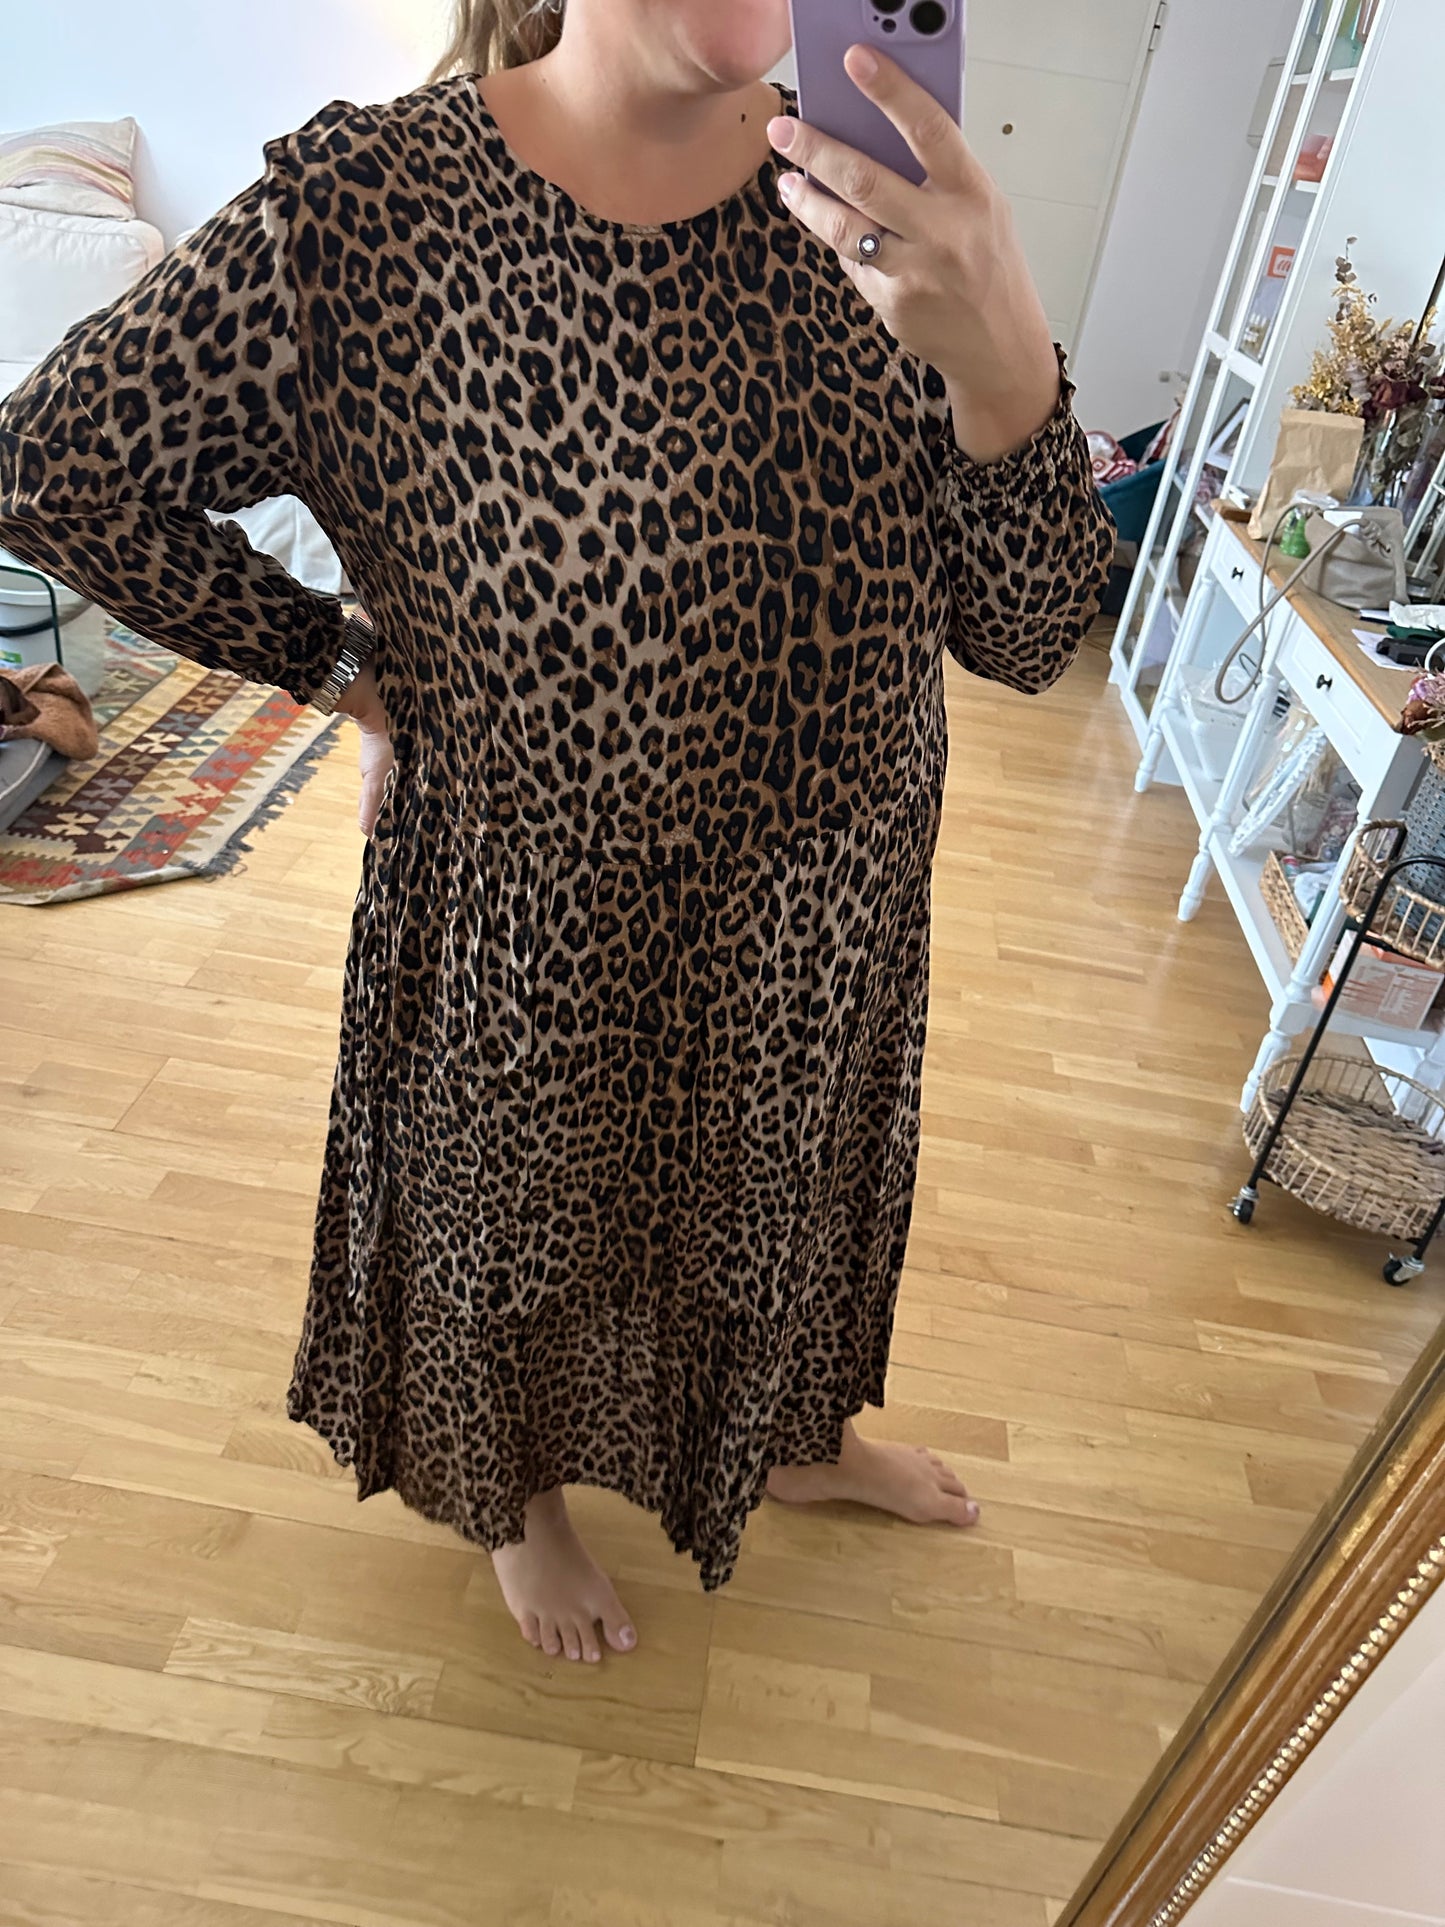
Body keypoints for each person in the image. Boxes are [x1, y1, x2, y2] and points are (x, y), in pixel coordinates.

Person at [0, 0, 1114, 1667]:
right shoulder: (367, 213)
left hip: (826, 903)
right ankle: (511, 1493)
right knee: (511, 1199)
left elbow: (1026, 635)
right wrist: (338, 665)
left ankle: (785, 1435)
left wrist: (1008, 357)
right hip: (531, 915)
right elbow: (51, 463)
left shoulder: (871, 201)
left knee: (784, 1190)